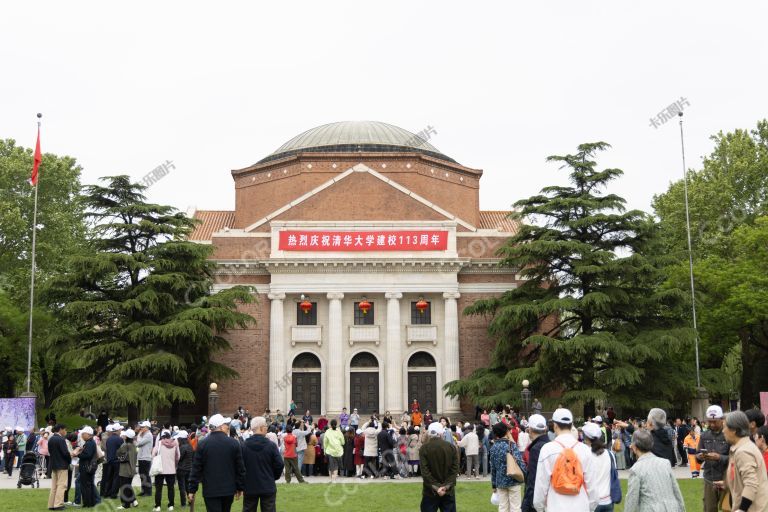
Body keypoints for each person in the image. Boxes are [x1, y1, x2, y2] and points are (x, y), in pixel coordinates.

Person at [533, 408, 596, 512]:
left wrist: (540, 507)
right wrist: (591, 506)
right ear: (571, 425)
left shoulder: (547, 449)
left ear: (555, 425)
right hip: (581, 506)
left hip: (555, 506)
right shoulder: (585, 450)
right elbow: (591, 484)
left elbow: (541, 484)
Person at [188, 414, 246, 512]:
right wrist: (240, 487)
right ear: (221, 426)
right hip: (228, 489)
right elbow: (240, 468)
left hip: (210, 490)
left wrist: (192, 489)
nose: (228, 426)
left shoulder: (203, 444)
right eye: (225, 424)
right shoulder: (233, 443)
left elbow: (196, 469)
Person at [624, 429, 685, 512]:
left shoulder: (636, 469)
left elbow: (631, 501)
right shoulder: (665, 463)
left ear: (634, 446)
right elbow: (677, 492)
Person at [722, 410, 768, 512]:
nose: (722, 430)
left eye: (724, 426)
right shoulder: (740, 447)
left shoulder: (744, 451)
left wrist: (742, 509)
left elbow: (751, 484)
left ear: (734, 430)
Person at [242, 417, 284, 512]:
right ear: (261, 428)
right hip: (267, 485)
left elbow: (240, 466)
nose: (267, 428)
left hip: (250, 485)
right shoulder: (271, 446)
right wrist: (272, 476)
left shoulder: (244, 445)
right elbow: (279, 464)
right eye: (265, 426)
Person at [696, 405, 731, 512]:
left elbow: (735, 458)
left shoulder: (729, 435)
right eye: (709, 421)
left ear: (722, 420)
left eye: (714, 421)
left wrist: (719, 457)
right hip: (709, 478)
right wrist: (700, 456)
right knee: (709, 509)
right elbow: (697, 455)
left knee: (728, 508)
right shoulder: (704, 435)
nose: (711, 424)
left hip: (726, 478)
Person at [419, 422, 459, 512]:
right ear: (441, 433)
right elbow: (455, 470)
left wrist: (437, 487)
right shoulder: (451, 447)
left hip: (431, 490)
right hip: (446, 491)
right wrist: (445, 487)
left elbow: (425, 472)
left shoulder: (424, 448)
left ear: (429, 434)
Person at [490, 421, 526, 512]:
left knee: (502, 507)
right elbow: (520, 462)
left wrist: (494, 485)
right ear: (506, 431)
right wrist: (525, 475)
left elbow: (493, 468)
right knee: (515, 507)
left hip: (500, 482)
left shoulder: (493, 447)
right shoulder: (511, 445)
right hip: (513, 480)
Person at [582, 422, 615, 512]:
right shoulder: (609, 454)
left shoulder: (584, 454)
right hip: (607, 501)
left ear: (586, 437)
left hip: (591, 501)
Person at [521, 414, 548, 512]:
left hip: (536, 501)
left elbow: (533, 479)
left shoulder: (536, 449)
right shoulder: (550, 445)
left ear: (530, 430)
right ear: (545, 430)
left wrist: (527, 505)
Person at [152, 429, 180, 511]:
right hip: (171, 469)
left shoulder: (159, 444)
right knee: (171, 488)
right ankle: (171, 505)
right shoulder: (175, 444)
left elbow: (153, 455)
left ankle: (158, 506)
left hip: (160, 469)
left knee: (158, 489)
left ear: (162, 437)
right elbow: (178, 457)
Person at [47, 424, 71, 511]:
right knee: (62, 485)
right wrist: (69, 460)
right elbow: (65, 453)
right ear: (61, 429)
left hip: (53, 465)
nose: (66, 431)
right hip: (62, 465)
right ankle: (58, 504)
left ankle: (51, 504)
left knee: (54, 486)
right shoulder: (61, 439)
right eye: (65, 429)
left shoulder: (51, 439)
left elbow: (50, 452)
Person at [75, 426, 99, 508]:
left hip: (86, 467)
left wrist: (78, 454)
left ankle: (87, 503)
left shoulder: (89, 443)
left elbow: (87, 455)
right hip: (88, 467)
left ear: (88, 434)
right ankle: (91, 502)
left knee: (85, 486)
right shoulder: (90, 442)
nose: (81, 435)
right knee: (89, 485)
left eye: (83, 433)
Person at [116, 428, 139, 510]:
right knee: (128, 486)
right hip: (132, 469)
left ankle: (126, 504)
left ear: (126, 437)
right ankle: (133, 500)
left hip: (125, 469)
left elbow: (118, 453)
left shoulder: (125, 445)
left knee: (124, 487)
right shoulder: (133, 445)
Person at [136, 421, 154, 497]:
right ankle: (144, 491)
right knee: (142, 475)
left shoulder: (148, 435)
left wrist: (139, 435)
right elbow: (139, 444)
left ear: (147, 428)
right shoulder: (145, 435)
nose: (141, 428)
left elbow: (139, 443)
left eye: (143, 427)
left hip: (145, 458)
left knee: (146, 475)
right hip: (142, 457)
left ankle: (148, 492)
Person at [176, 430, 193, 508]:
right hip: (189, 469)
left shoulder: (182, 447)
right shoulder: (190, 446)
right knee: (187, 486)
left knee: (182, 487)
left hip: (181, 469)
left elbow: (179, 458)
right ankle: (190, 502)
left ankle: (183, 504)